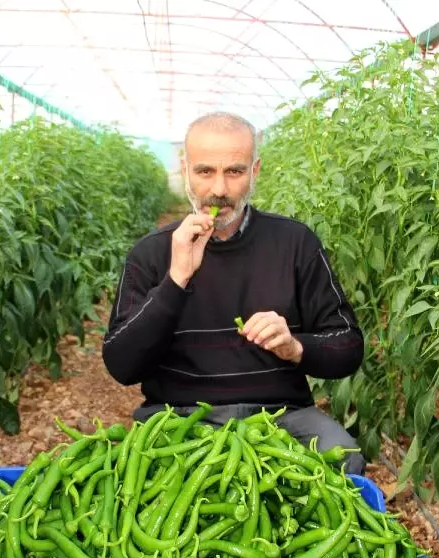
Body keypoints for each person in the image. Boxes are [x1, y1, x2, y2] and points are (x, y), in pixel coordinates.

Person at [102, 112, 365, 475]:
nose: (219, 190)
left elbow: (348, 346)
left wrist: (295, 347)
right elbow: (121, 365)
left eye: (235, 172)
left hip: (281, 416)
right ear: (185, 169)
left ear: (255, 171)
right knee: (142, 477)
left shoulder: (294, 243)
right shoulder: (152, 253)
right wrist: (176, 280)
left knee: (344, 455)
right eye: (205, 171)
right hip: (180, 418)